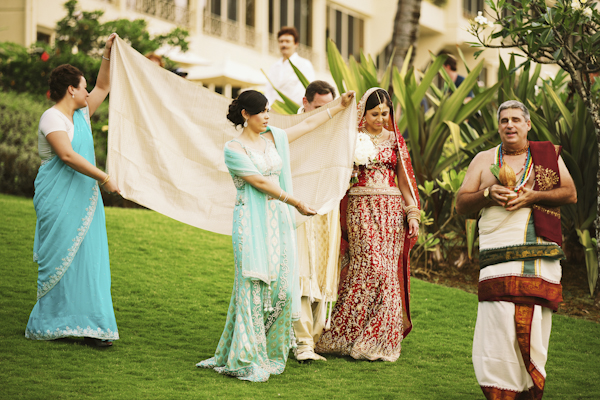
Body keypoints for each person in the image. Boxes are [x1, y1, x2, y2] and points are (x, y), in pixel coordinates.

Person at [197, 89, 355, 382]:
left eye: (268, 110)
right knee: (252, 283)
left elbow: (306, 125)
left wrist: (337, 106)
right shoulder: (234, 149)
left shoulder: (273, 137)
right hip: (252, 222)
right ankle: (245, 355)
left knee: (281, 286)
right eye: (262, 112)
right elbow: (258, 181)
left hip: (278, 221)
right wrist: (295, 201)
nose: (267, 116)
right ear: (246, 115)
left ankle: (268, 349)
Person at [455, 100, 577, 399]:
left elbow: (569, 193)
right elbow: (461, 204)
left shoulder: (546, 156)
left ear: (527, 125)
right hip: (497, 258)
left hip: (539, 258)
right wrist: (487, 193)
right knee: (496, 323)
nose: (509, 125)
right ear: (498, 127)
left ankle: (528, 389)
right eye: (504, 120)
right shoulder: (484, 159)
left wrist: (533, 195)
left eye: (515, 120)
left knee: (535, 325)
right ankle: (501, 391)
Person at [25, 33, 121, 347]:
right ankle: (55, 323)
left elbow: (104, 86)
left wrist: (107, 51)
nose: (87, 91)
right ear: (71, 89)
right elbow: (66, 155)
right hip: (57, 199)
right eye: (83, 86)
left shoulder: (80, 114)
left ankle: (90, 325)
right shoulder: (52, 117)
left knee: (88, 260)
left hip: (85, 200)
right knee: (61, 259)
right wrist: (105, 178)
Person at [315, 87, 420, 362]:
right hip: (361, 207)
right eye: (375, 113)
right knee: (369, 266)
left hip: (391, 211)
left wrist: (412, 214)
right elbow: (336, 172)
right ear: (363, 112)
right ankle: (344, 334)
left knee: (386, 271)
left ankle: (378, 339)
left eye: (385, 113)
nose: (381, 118)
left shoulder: (396, 141)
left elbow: (404, 181)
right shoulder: (352, 139)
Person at [293, 80, 340, 362]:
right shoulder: (294, 128)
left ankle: (314, 338)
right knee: (301, 273)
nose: (325, 112)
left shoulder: (336, 130)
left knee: (324, 273)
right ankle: (302, 343)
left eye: (330, 107)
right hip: (298, 206)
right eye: (320, 107)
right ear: (305, 102)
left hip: (328, 209)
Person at [265, 26, 315, 106]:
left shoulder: (304, 64)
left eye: (287, 41)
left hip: (293, 111)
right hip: (272, 112)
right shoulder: (274, 67)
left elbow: (305, 91)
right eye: (281, 41)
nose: (284, 44)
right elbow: (268, 91)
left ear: (296, 44)